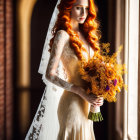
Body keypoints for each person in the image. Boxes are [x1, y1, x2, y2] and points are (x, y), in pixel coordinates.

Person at [25, 0, 104, 139]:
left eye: (86, 8)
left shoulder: (87, 35)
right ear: (68, 8)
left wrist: (100, 93)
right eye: (78, 8)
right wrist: (80, 91)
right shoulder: (63, 35)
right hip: (72, 103)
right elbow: (49, 75)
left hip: (88, 103)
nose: (83, 13)